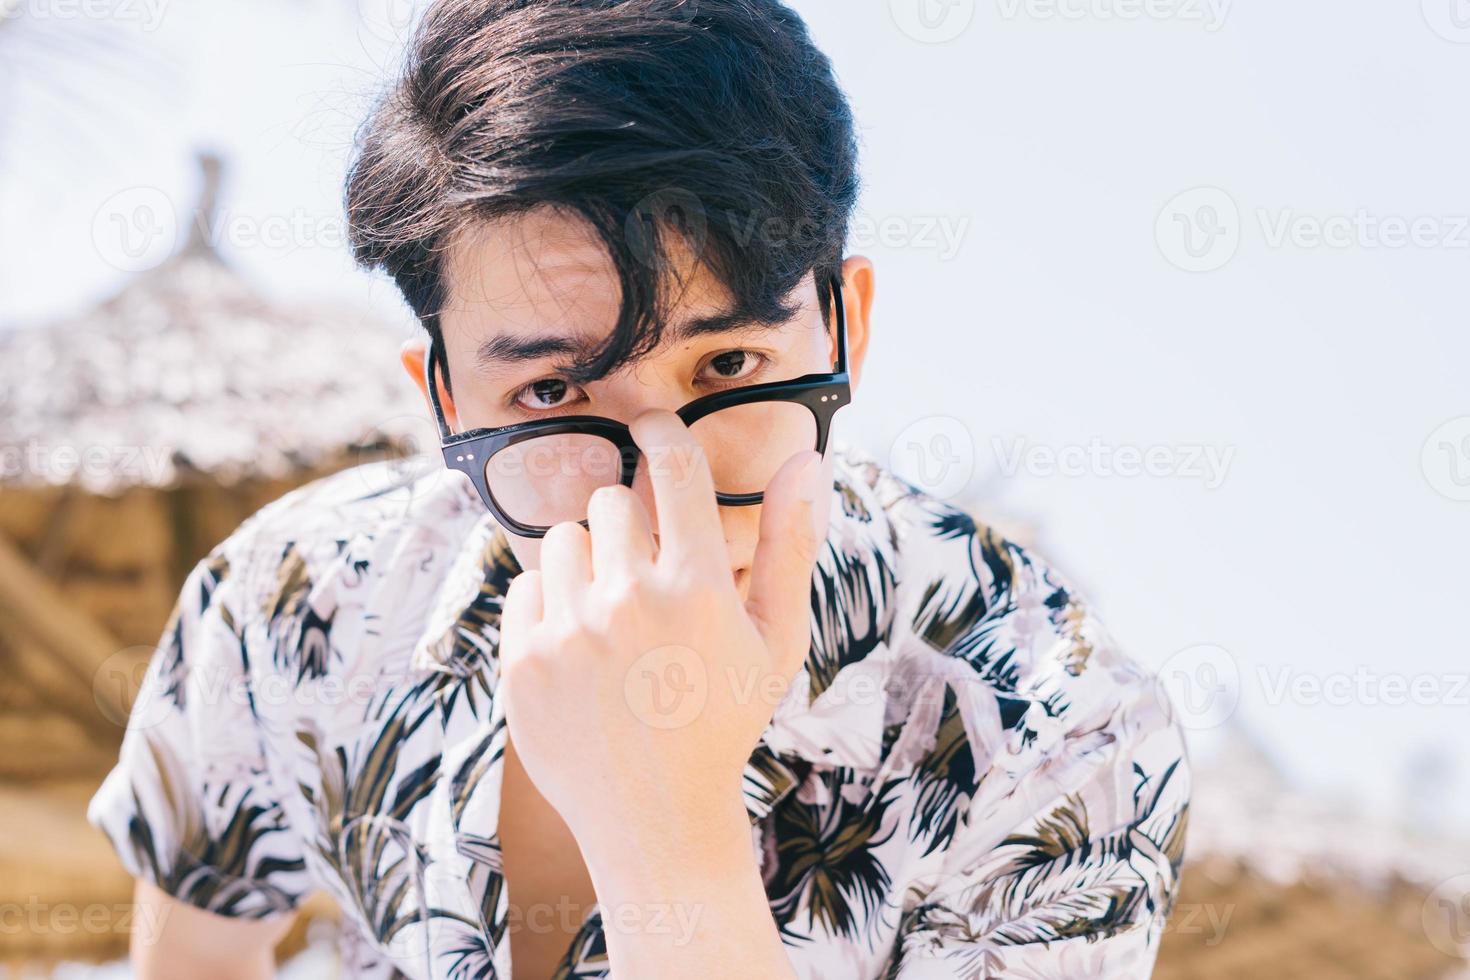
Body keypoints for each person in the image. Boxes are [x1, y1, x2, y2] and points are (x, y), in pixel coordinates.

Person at [88, 1, 1190, 976]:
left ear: (845, 326)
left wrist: (666, 826)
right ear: (445, 401)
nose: (660, 496)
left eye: (727, 367)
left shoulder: (1060, 740)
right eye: (556, 387)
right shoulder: (298, 601)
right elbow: (193, 944)